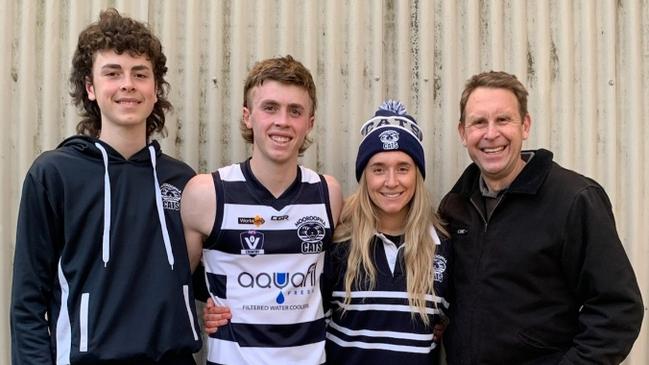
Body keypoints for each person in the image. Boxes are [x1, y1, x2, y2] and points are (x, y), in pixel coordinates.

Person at [10, 8, 202, 364]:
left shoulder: (183, 181)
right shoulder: (54, 174)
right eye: (112, 73)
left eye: (140, 74)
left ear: (155, 89)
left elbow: (210, 280)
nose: (127, 84)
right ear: (91, 88)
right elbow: (28, 303)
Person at [439, 71, 644, 364]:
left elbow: (618, 308)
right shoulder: (456, 205)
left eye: (503, 120)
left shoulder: (573, 200)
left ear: (525, 125)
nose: (491, 134)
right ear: (463, 133)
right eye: (479, 122)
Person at [181, 55, 343, 365]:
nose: (282, 121)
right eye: (270, 108)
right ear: (247, 116)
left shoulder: (328, 194)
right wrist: (208, 305)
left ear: (309, 122)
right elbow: (178, 283)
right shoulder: (208, 194)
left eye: (295, 111)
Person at [322, 100, 451, 364]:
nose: (391, 182)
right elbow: (303, 320)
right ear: (364, 176)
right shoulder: (337, 242)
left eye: (403, 168)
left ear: (417, 174)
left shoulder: (442, 245)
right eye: (378, 169)